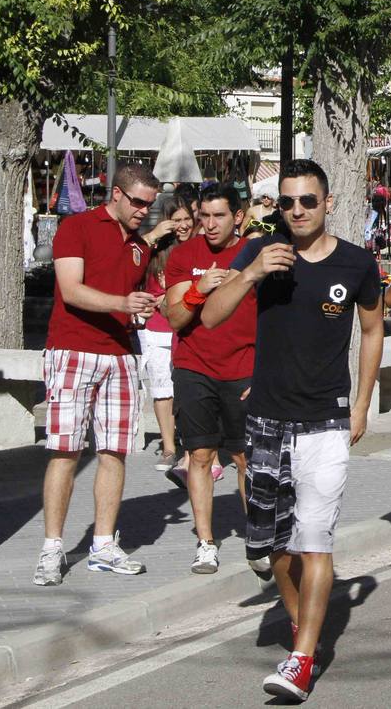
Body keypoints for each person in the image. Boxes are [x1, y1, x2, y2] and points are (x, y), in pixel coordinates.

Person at [202, 159, 384, 702]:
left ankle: (302, 658)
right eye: (287, 202)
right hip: (264, 421)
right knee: (268, 547)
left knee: (313, 539)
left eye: (308, 201)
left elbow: (373, 330)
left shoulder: (356, 264)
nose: (297, 211)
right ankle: (303, 622)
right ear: (277, 206)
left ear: (328, 204)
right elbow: (210, 317)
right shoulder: (260, 253)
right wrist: (253, 272)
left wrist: (362, 404)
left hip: (326, 421)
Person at [33, 163, 161, 586]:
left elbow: (130, 298)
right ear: (117, 195)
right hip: (72, 350)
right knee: (65, 451)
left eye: (150, 203)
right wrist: (123, 304)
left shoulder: (140, 246)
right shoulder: (78, 226)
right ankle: (52, 548)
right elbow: (71, 289)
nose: (144, 210)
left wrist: (142, 307)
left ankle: (103, 545)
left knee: (114, 452)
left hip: (121, 355)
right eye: (139, 201)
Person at [163, 185, 257, 575]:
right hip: (194, 366)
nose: (210, 224)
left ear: (238, 217)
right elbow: (175, 319)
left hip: (244, 369)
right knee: (199, 456)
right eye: (205, 215)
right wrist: (198, 291)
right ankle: (206, 542)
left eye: (219, 215)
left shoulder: (253, 253)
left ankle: (258, 536)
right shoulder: (184, 255)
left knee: (244, 458)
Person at [141, 195, 198, 473]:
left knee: (187, 389)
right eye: (177, 220)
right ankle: (168, 447)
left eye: (187, 218)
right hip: (158, 330)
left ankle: (191, 447)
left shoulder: (200, 248)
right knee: (162, 389)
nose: (184, 225)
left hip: (189, 329)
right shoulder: (155, 249)